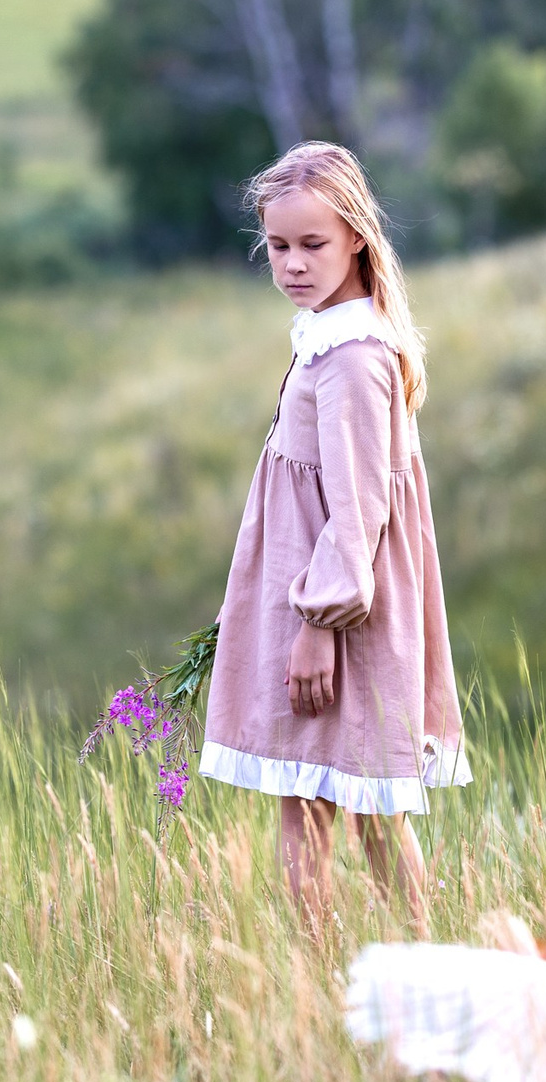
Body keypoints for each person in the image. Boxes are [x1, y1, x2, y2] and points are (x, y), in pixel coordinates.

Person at [199, 142, 469, 934]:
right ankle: (356, 970)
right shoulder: (324, 337)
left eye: (312, 243)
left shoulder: (353, 358)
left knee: (336, 808)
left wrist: (318, 627)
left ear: (356, 235)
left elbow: (358, 514)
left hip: (335, 619)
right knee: (334, 802)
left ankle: (372, 967)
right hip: (315, 607)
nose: (292, 264)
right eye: (278, 246)